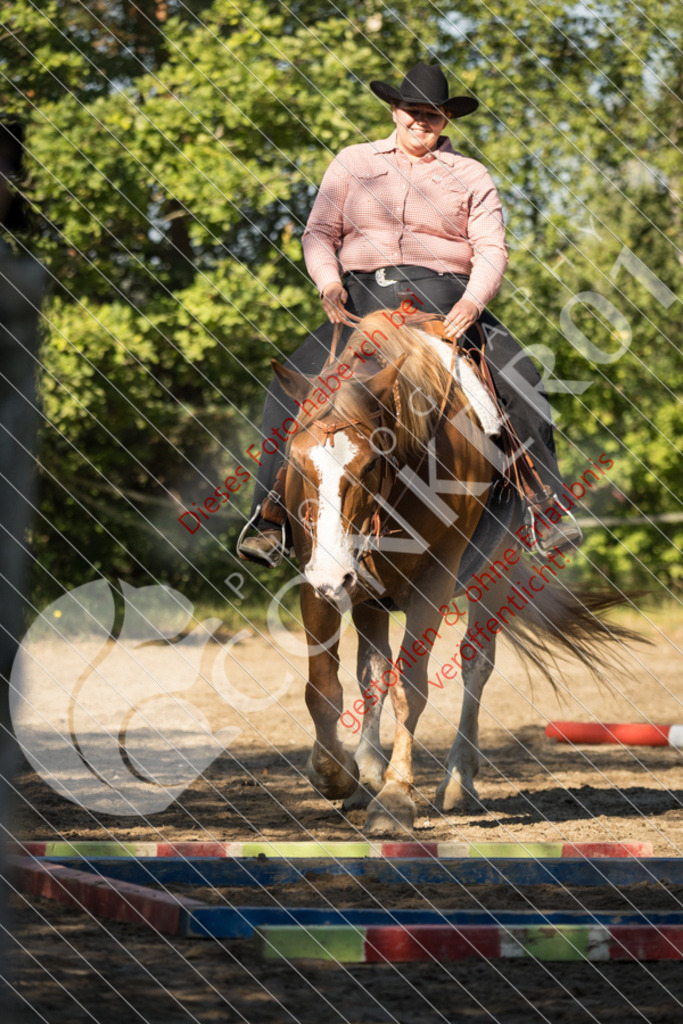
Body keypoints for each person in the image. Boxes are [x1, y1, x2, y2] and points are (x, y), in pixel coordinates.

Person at [238, 62, 582, 566]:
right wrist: (328, 283)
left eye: (434, 115)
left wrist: (471, 303)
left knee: (520, 374)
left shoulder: (471, 175)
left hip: (444, 301)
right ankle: (269, 515)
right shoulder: (352, 162)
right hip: (358, 304)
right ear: (395, 111)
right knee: (285, 386)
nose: (422, 122)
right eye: (414, 111)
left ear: (446, 120)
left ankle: (544, 506)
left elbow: (491, 249)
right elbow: (318, 234)